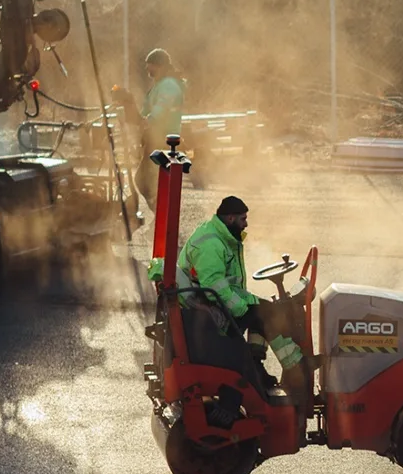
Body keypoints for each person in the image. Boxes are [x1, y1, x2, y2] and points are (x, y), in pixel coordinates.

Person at [177, 195, 304, 391]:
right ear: (230, 218)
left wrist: (249, 306)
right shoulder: (211, 245)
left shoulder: (219, 235)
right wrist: (243, 309)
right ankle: (296, 368)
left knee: (263, 310)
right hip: (211, 305)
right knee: (266, 314)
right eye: (243, 219)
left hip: (212, 300)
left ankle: (257, 365)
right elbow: (214, 287)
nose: (246, 224)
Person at [129, 49, 189, 215]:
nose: (147, 69)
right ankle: (161, 215)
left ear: (160, 66)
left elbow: (162, 106)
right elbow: (147, 110)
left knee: (145, 180)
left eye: (150, 65)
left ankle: (162, 215)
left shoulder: (168, 85)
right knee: (147, 180)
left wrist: (149, 120)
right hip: (156, 138)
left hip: (163, 139)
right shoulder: (160, 85)